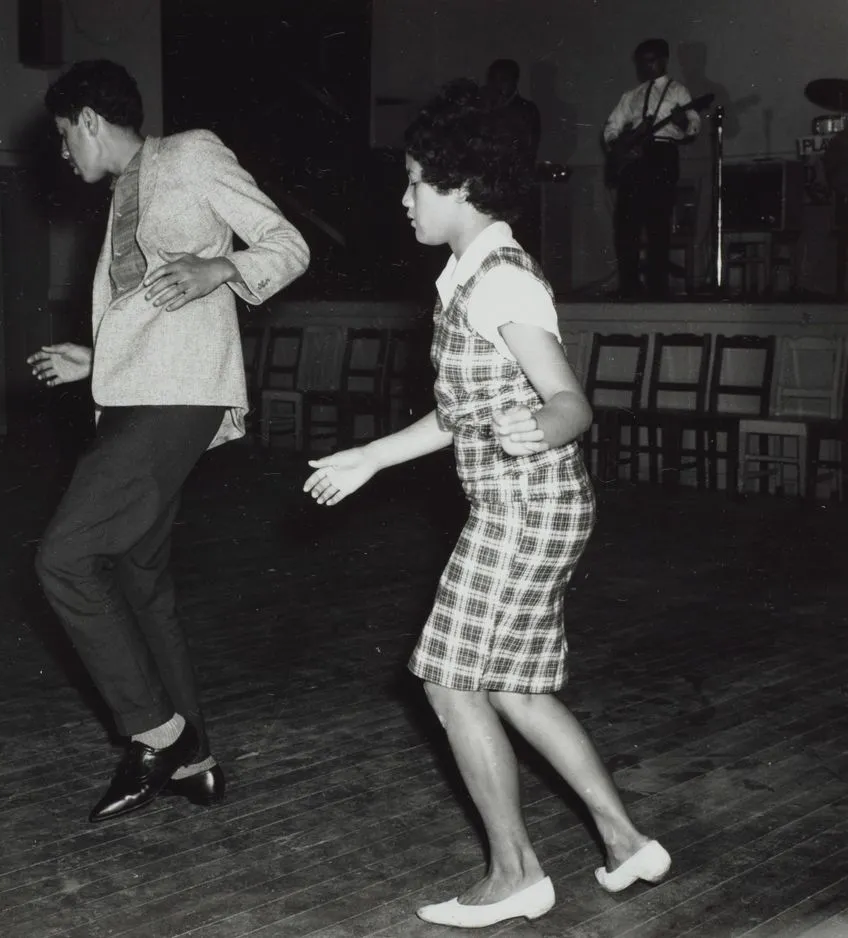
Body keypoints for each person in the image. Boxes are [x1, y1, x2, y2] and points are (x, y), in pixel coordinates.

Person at [303, 78, 669, 928]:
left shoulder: (501, 281)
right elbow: (454, 413)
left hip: (525, 507)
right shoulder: (465, 276)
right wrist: (368, 457)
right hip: (533, 507)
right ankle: (624, 842)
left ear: (461, 187)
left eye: (415, 182)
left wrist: (531, 430)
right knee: (515, 687)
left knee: (445, 679)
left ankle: (516, 875)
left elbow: (571, 404)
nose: (403, 199)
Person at [28, 59, 309, 823]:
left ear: (89, 120)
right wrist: (95, 360)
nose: (63, 153)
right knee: (142, 579)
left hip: (178, 398)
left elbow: (288, 245)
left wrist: (223, 265)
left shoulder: (189, 155)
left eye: (63, 136)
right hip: (136, 391)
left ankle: (157, 736)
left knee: (64, 558)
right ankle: (199, 765)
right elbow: (147, 308)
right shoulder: (123, 191)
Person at [603, 38, 701, 300]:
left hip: (662, 155)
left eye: (650, 60)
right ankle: (630, 285)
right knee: (627, 224)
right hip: (634, 160)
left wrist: (681, 124)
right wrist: (621, 145)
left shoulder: (679, 91)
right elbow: (611, 127)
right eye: (641, 62)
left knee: (658, 222)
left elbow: (693, 125)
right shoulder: (630, 95)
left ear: (663, 60)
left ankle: (658, 287)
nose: (645, 67)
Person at [485, 58, 541, 167]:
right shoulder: (481, 107)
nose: (497, 84)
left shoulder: (528, 110)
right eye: (493, 79)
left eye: (503, 79)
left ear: (515, 81)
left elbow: (530, 148)